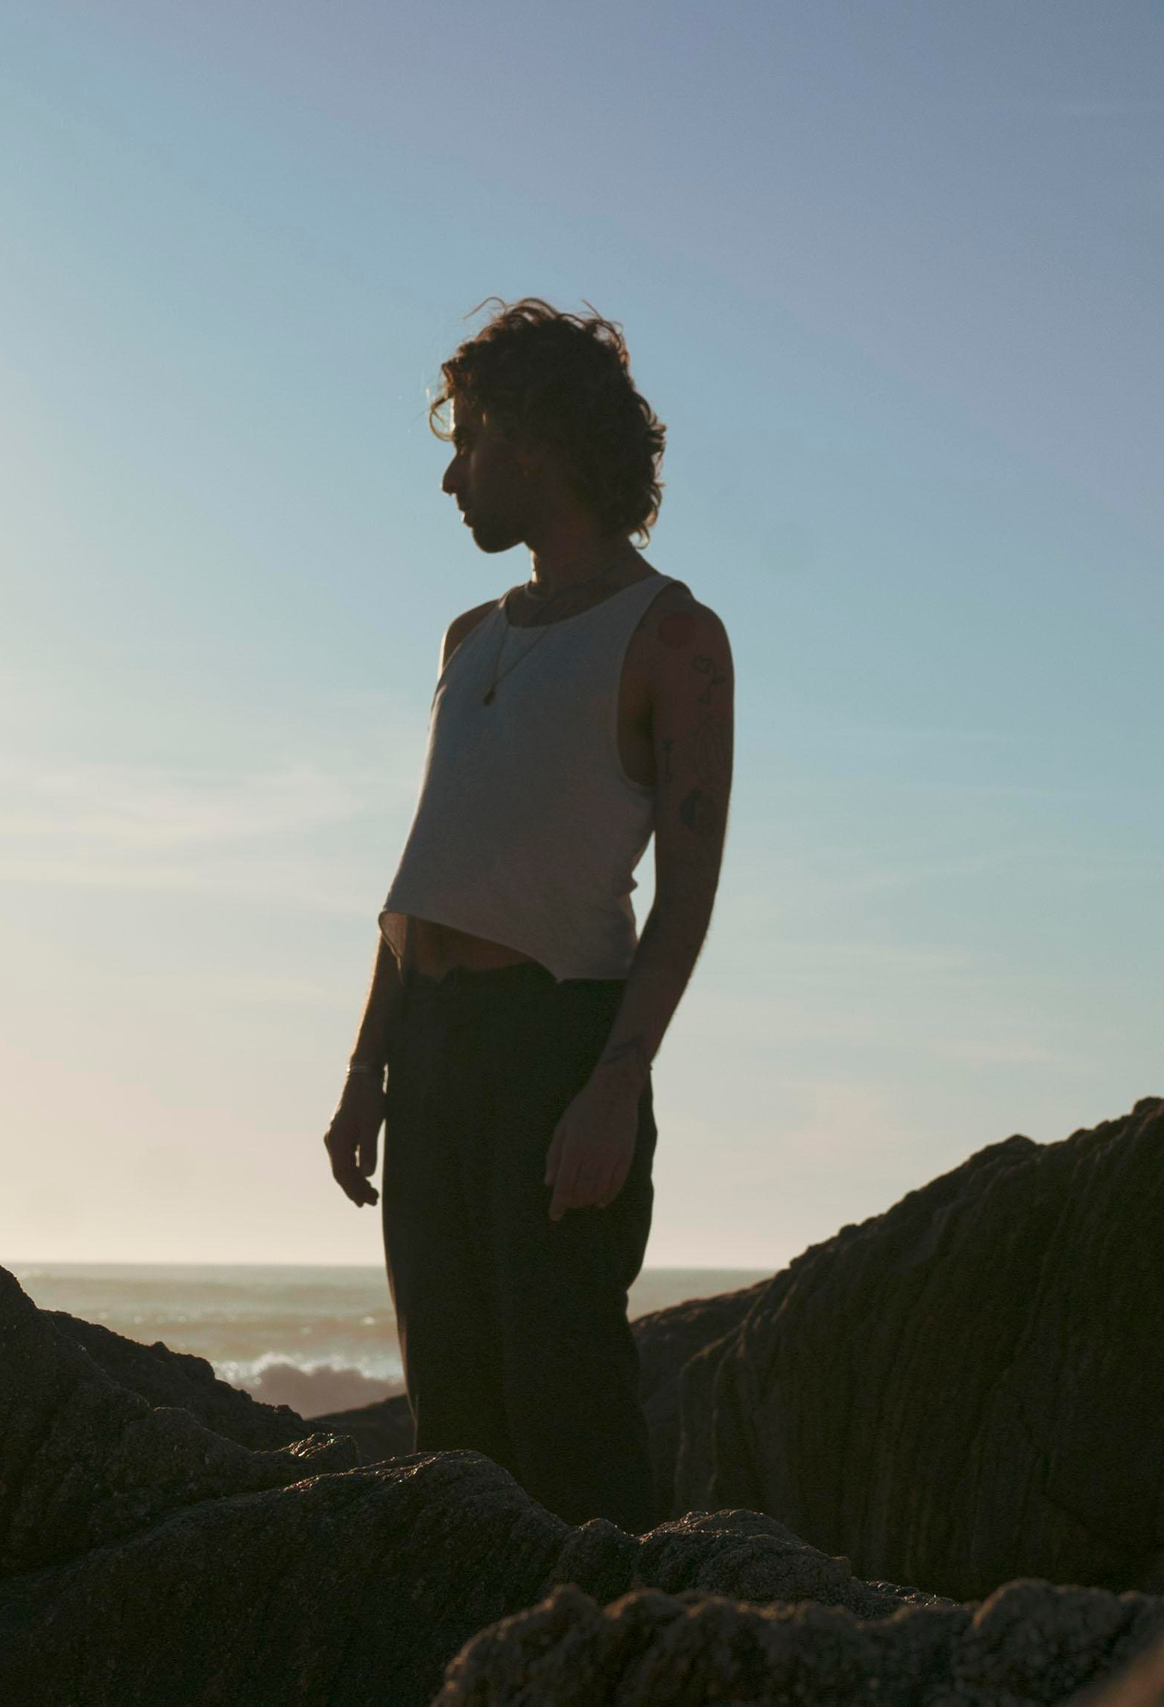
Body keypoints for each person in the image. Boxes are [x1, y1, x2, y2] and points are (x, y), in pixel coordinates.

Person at [320, 299, 734, 1530]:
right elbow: (428, 866)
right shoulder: (467, 635)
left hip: (556, 1046)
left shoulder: (674, 636)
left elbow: (690, 887)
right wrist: (365, 1068)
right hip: (431, 1054)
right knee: (453, 1430)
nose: (452, 476)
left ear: (540, 442)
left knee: (568, 1421)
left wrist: (615, 1083)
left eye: (472, 442)